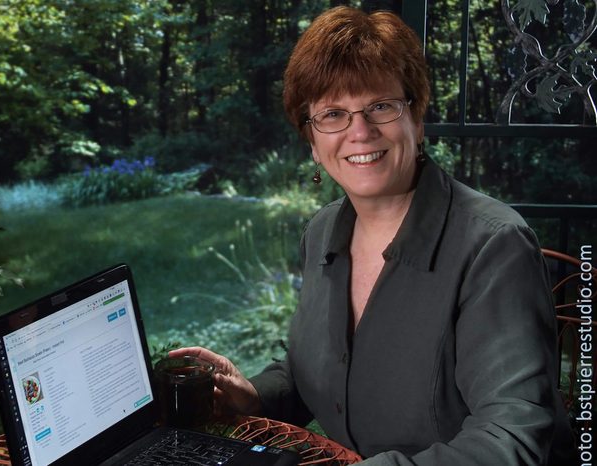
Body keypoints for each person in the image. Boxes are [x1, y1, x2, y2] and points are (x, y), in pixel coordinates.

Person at [171, 6, 577, 465]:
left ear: (417, 119)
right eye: (333, 113)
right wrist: (256, 396)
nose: (359, 132)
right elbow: (320, 367)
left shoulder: (494, 245)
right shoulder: (323, 231)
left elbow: (514, 439)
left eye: (380, 106)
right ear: (312, 141)